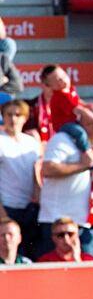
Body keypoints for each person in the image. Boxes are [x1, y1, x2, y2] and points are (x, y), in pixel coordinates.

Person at [38, 106, 93, 258]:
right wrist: (83, 165)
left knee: (85, 275)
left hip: (83, 224)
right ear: (89, 125)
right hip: (56, 223)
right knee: (53, 273)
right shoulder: (62, 140)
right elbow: (48, 169)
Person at [0, 100, 41, 259]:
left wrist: (37, 201)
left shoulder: (31, 142)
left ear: (25, 118)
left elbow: (35, 174)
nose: (13, 119)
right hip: (7, 207)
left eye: (18, 115)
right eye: (9, 114)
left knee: (29, 255)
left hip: (29, 207)